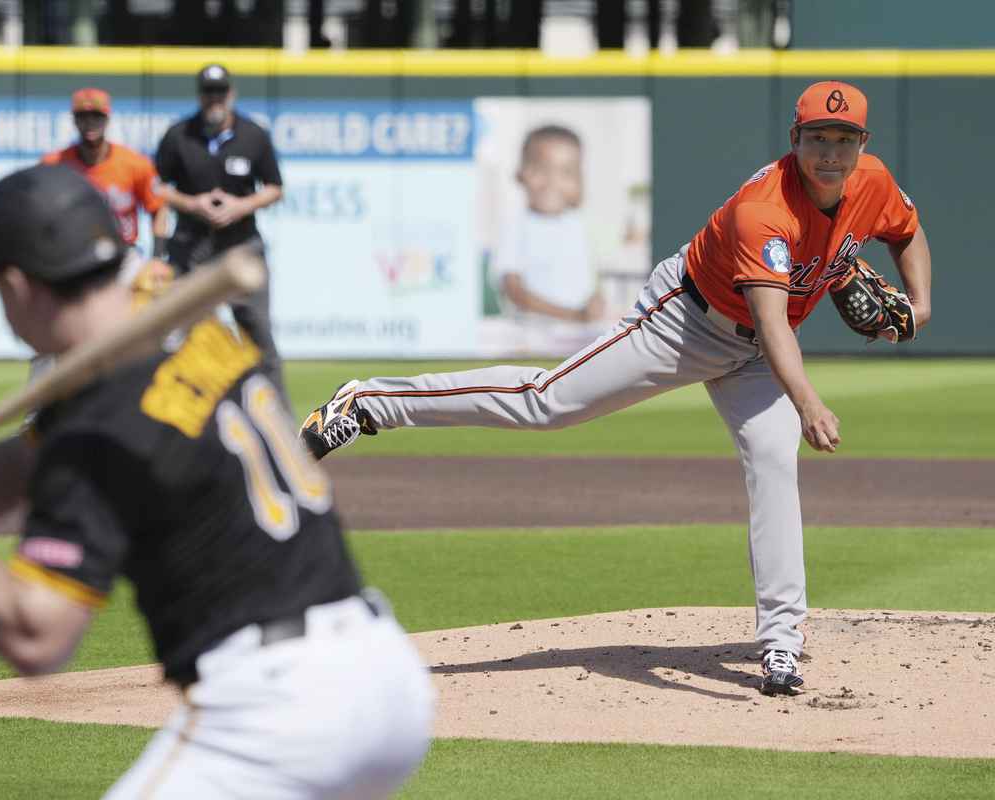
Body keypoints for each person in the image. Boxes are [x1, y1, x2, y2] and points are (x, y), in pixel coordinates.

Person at [0, 164, 434, 798]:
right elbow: (31, 464)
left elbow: (37, 637)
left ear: (18, 283)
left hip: (276, 711)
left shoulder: (97, 425)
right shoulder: (186, 326)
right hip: (383, 673)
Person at [299, 81, 932, 696]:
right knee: (545, 401)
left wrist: (921, 307)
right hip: (686, 322)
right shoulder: (764, 210)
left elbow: (906, 230)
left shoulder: (870, 181)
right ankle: (369, 403)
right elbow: (769, 321)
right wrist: (809, 402)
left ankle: (781, 643)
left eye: (844, 139)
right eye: (818, 136)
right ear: (794, 138)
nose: (831, 152)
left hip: (763, 347)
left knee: (774, 462)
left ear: (862, 144)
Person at [153, 63, 288, 404]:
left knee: (259, 337)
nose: (215, 99)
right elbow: (155, 186)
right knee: (182, 336)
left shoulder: (252, 134)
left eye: (220, 91)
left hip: (241, 245)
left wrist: (240, 206)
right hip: (191, 247)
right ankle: (182, 425)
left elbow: (274, 188)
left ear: (231, 94)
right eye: (208, 92)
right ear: (200, 95)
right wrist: (193, 203)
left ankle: (283, 427)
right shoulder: (179, 134)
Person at [42, 87, 174, 306]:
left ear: (107, 119)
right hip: (75, 256)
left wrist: (158, 257)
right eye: (83, 116)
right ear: (74, 120)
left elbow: (158, 208)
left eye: (97, 116)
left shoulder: (134, 164)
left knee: (147, 305)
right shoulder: (55, 164)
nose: (90, 122)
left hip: (123, 256)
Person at [495, 124, 604, 327]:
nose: (552, 181)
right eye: (541, 169)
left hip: (579, 334)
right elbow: (514, 291)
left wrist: (595, 304)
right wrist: (571, 316)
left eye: (567, 172)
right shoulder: (516, 227)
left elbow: (589, 282)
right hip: (531, 334)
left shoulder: (578, 226)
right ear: (520, 174)